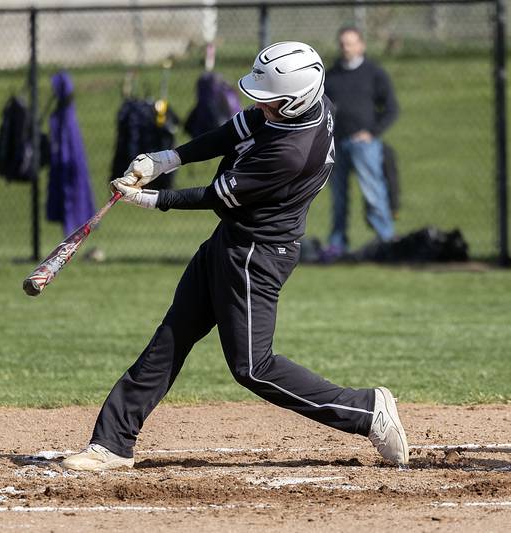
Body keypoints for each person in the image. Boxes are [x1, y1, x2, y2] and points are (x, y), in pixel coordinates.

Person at [61, 42, 409, 472]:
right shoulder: (314, 103)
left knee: (253, 367)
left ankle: (366, 411)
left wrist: (150, 199)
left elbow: (216, 196)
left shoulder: (289, 152)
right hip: (233, 242)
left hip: (256, 256)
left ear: (296, 99)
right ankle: (112, 443)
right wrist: (168, 159)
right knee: (173, 335)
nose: (260, 107)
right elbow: (238, 127)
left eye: (271, 101)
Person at [323, 26, 399, 260]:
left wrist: (372, 132)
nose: (346, 47)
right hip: (335, 144)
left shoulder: (373, 73)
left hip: (364, 144)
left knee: (374, 192)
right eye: (343, 43)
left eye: (351, 43)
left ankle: (387, 241)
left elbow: (391, 109)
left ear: (361, 45)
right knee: (338, 198)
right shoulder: (331, 75)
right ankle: (337, 244)